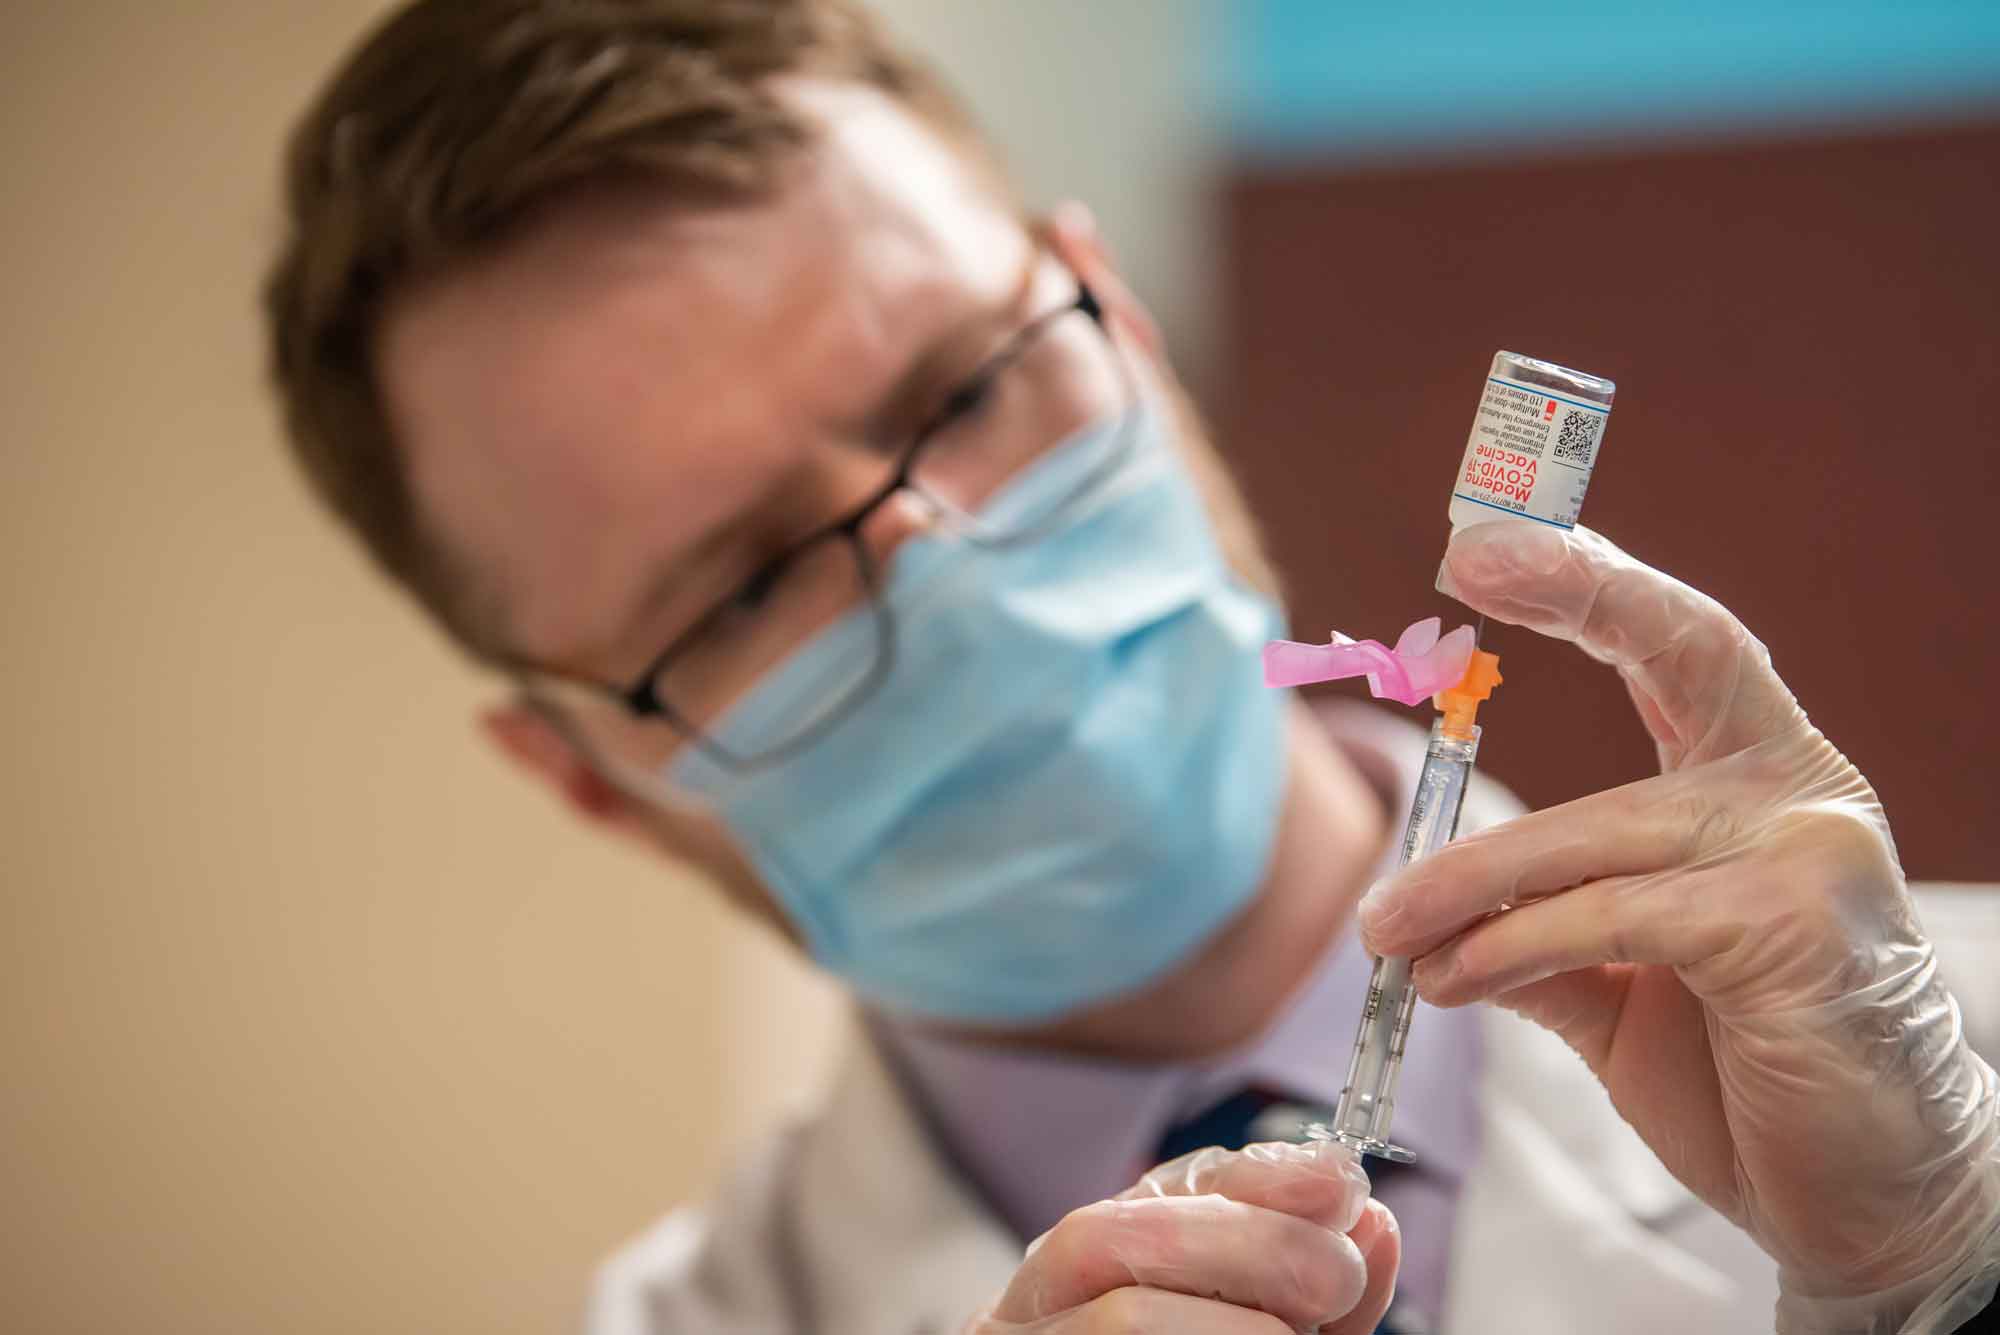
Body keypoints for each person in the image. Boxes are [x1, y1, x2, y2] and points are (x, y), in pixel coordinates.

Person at [263, 3, 2000, 1331]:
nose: (951, 577)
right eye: (738, 586)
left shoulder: (1959, 1082)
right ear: (593, 784)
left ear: (1126, 330)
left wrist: (1939, 1269)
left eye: (961, 391)